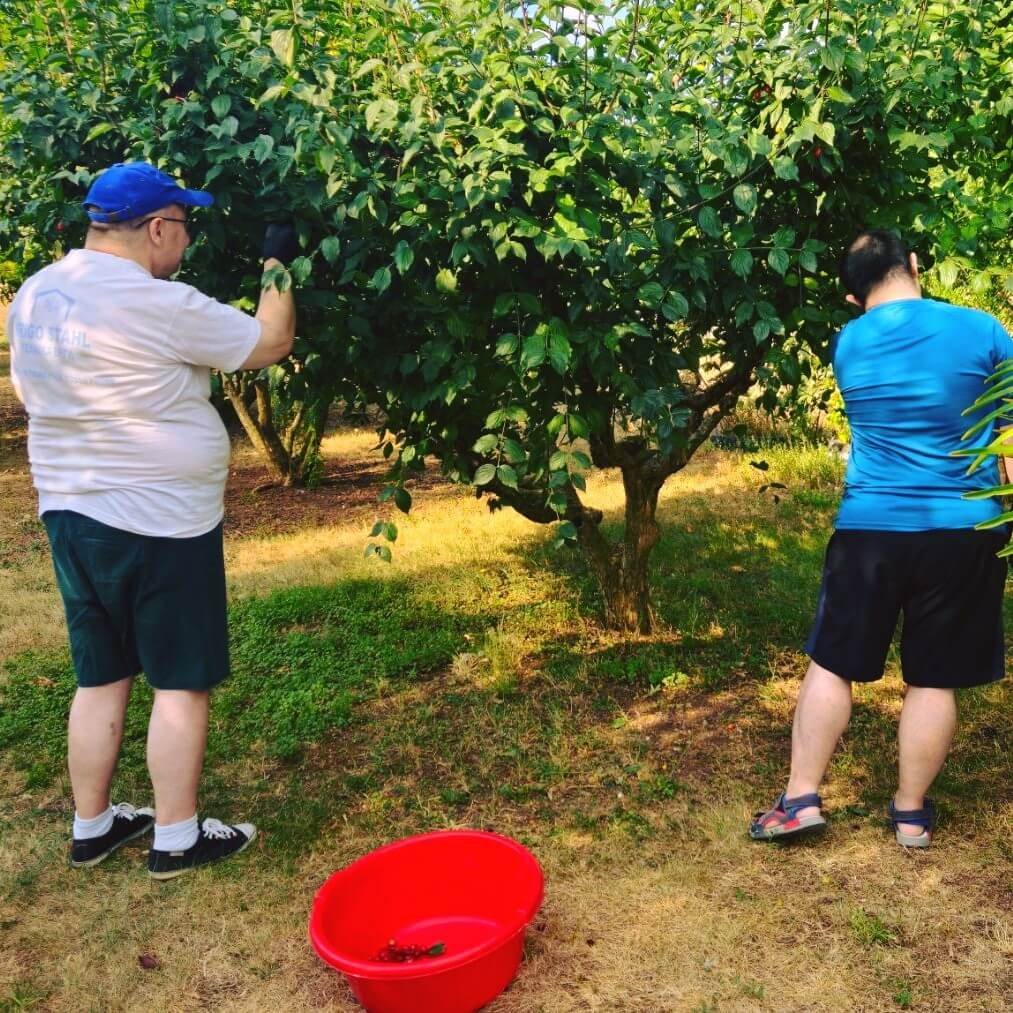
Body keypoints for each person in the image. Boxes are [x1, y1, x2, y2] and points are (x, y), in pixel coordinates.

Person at [7, 161, 298, 878]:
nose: (187, 240)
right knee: (179, 679)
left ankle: (93, 824)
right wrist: (277, 265)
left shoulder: (40, 294)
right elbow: (269, 343)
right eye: (185, 225)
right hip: (159, 523)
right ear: (157, 227)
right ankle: (176, 836)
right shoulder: (156, 301)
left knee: (101, 675)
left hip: (71, 514)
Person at [749, 230, 1012, 848]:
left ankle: (800, 799)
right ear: (913, 264)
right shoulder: (984, 331)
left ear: (850, 294)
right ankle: (910, 813)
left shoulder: (849, 343)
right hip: (961, 532)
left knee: (832, 665)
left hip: (869, 530)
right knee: (932, 679)